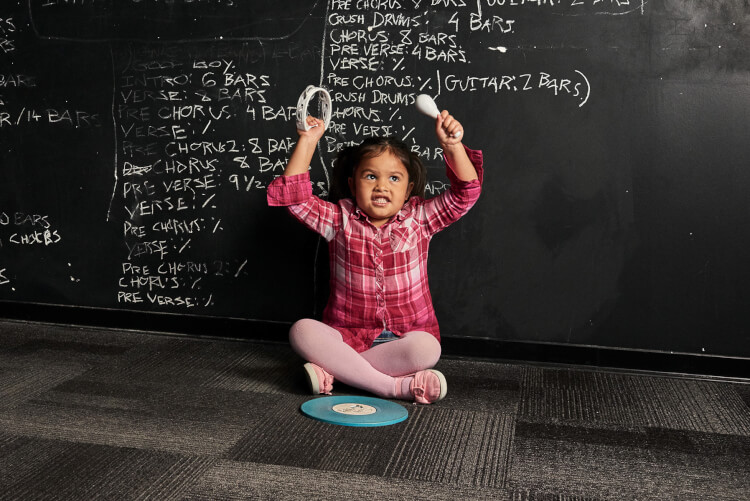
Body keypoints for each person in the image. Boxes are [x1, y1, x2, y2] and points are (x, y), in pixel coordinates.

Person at [267, 108, 483, 404]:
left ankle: (338, 372)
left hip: (404, 341)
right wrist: (308, 138)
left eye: (394, 178)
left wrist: (453, 146)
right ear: (353, 184)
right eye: (371, 176)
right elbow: (295, 199)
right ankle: (392, 387)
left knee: (428, 349)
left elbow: (465, 194)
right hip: (344, 338)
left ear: (408, 190)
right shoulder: (338, 219)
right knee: (302, 331)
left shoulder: (420, 218)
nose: (382, 186)